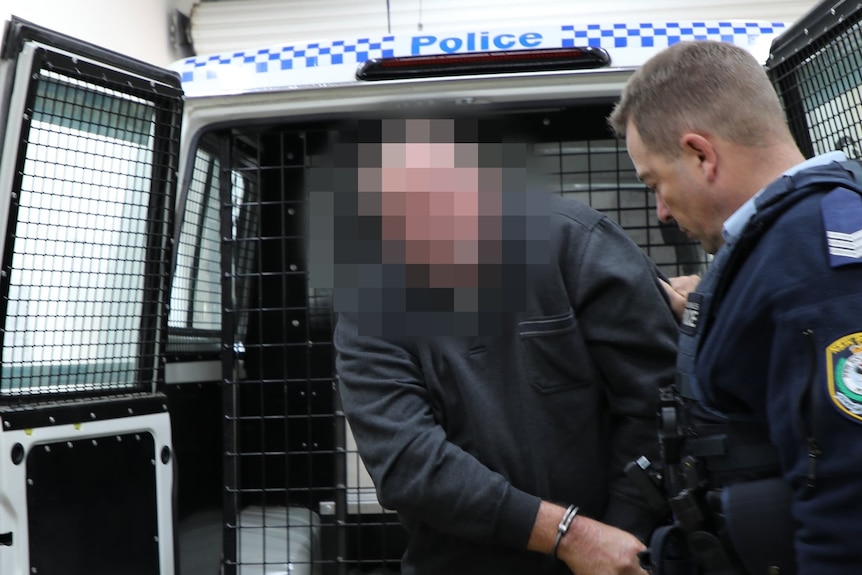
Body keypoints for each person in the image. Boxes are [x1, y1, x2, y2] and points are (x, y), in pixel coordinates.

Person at [331, 118, 679, 574]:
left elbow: (656, 402)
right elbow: (410, 464)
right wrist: (570, 536)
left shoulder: (577, 246)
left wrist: (623, 534)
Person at [609, 40, 862, 575]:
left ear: (702, 155)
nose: (659, 211)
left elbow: (850, 497)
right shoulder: (774, 247)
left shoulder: (821, 262)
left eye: (654, 182)